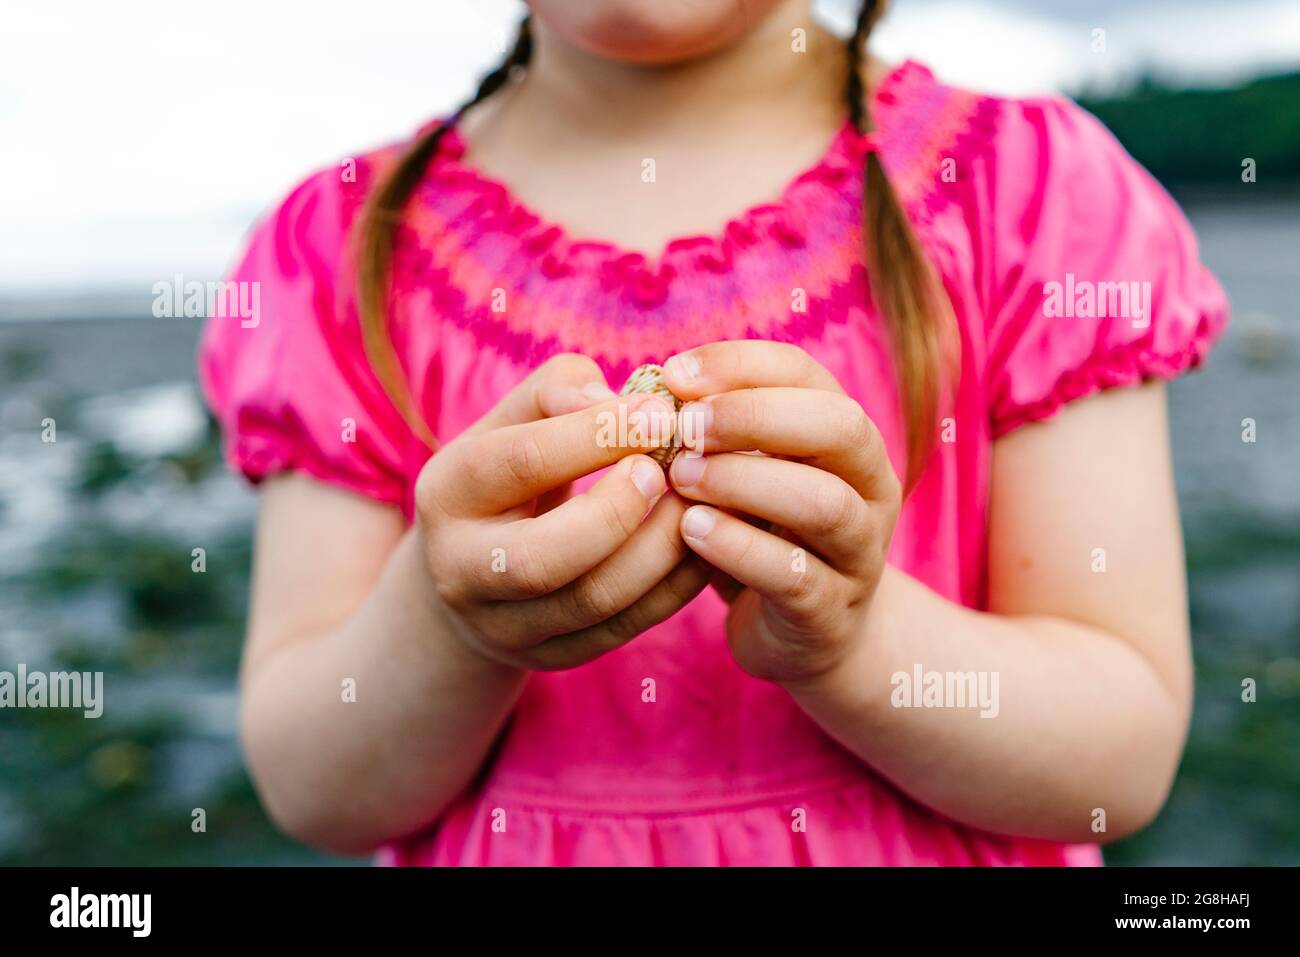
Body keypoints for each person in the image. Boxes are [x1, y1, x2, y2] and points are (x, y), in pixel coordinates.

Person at [200, 0, 1229, 865]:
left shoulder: (1032, 197)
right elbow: (316, 787)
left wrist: (855, 639)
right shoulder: (339, 249)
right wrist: (442, 619)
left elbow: (1117, 759)